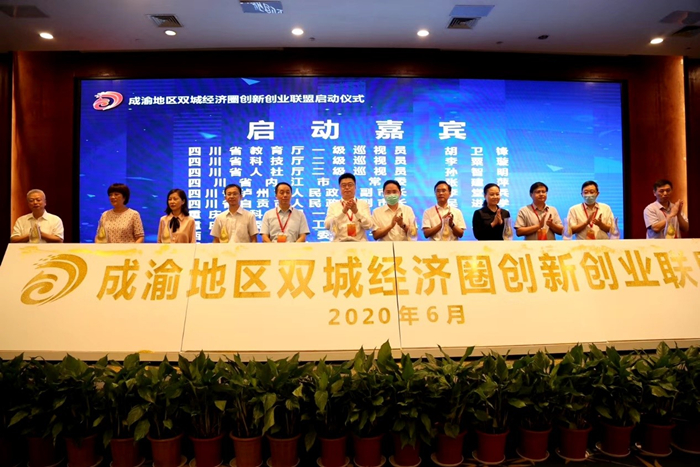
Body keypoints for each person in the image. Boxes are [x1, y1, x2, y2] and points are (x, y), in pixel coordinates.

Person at [324, 173, 374, 242]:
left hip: (359, 243)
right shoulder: (333, 206)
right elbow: (327, 225)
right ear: (340, 188)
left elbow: (369, 226)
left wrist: (356, 212)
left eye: (350, 185)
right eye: (343, 185)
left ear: (355, 187)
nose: (347, 187)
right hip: (339, 243)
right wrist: (343, 212)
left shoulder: (363, 204)